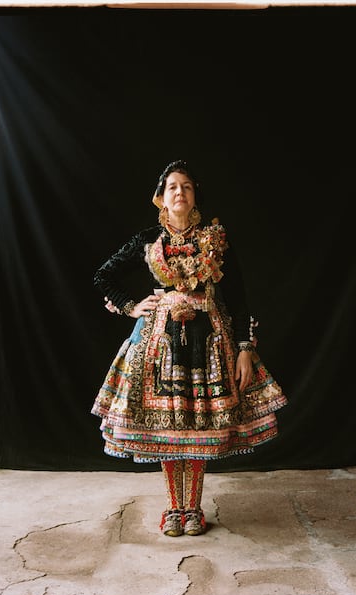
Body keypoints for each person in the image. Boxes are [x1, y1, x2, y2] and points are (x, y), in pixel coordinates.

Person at [91, 160, 287, 537]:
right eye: (172, 187)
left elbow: (239, 300)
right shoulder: (149, 241)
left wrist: (244, 349)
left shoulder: (216, 241)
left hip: (209, 344)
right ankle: (173, 507)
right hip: (157, 345)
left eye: (187, 187)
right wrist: (131, 306)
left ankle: (193, 509)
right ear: (161, 197)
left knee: (196, 425)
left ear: (194, 195)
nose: (179, 193)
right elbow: (104, 275)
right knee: (172, 427)